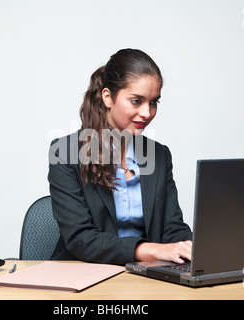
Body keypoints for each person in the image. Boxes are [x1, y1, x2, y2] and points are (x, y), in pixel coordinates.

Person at [48, 48, 192, 265]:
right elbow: (81, 239)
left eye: (153, 102)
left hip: (146, 276)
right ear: (108, 97)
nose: (147, 113)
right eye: (136, 101)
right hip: (85, 273)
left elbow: (171, 227)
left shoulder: (159, 155)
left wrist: (192, 247)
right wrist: (152, 250)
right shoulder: (65, 153)